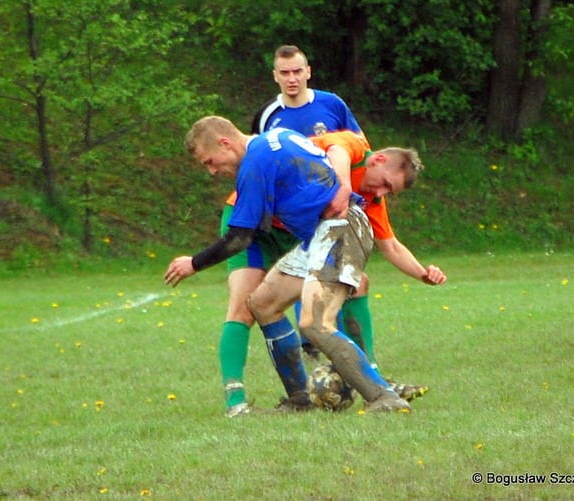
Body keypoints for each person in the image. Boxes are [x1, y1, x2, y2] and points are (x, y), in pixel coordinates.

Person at [165, 116, 447, 415]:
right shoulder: (276, 137)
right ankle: (300, 399)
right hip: (320, 233)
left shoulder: (257, 160)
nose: (211, 170)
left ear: (225, 143)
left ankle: (383, 397)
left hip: (341, 230)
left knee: (314, 323)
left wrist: (192, 264)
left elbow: (240, 238)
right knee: (262, 303)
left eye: (210, 161)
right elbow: (334, 152)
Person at [215, 45, 369, 417]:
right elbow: (251, 165)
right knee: (246, 305)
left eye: (297, 71)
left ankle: (365, 376)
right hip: (260, 222)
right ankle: (240, 400)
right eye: (284, 73)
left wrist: (345, 189)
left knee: (353, 287)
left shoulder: (332, 105)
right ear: (275, 76)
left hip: (312, 218)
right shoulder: (268, 116)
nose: (292, 78)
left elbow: (355, 146)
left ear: (308, 71)